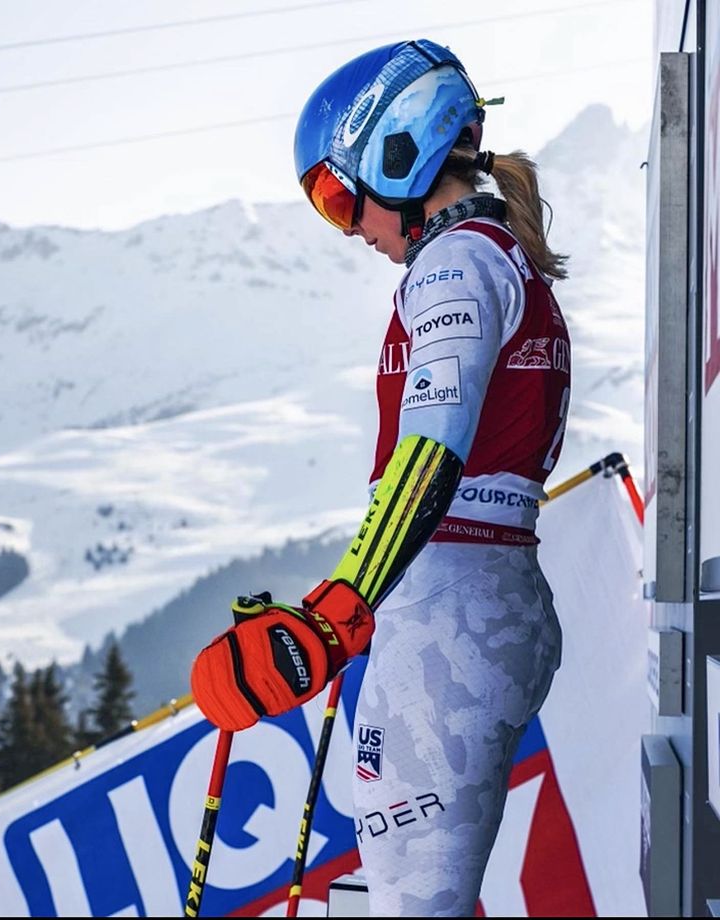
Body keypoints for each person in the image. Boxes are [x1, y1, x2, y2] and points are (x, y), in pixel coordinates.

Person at [191, 38, 570, 917]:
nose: (350, 226)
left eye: (336, 196)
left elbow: (430, 452)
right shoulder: (488, 255)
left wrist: (337, 612)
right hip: (470, 601)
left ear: (400, 148)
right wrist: (356, 606)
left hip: (453, 619)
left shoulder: (457, 264)